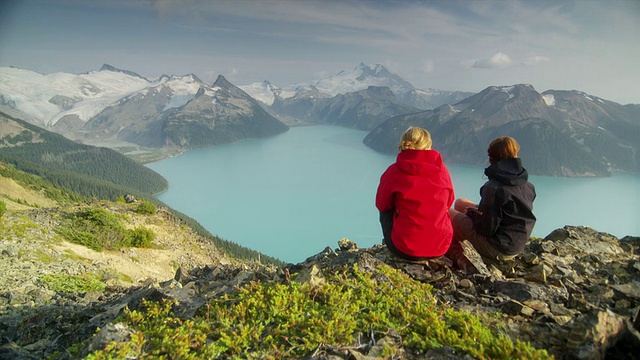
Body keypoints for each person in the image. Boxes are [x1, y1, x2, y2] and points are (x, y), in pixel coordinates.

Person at [447, 136, 536, 264]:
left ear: (492, 158)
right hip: (517, 242)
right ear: (515, 154)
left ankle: (450, 246)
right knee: (460, 202)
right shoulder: (528, 185)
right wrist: (476, 211)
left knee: (446, 210)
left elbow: (486, 229)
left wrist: (472, 215)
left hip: (497, 248)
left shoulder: (493, 188)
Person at [376, 126, 455, 260]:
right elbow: (449, 202)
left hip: (404, 248)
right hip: (440, 247)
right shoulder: (442, 171)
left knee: (386, 211)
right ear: (428, 145)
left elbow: (382, 204)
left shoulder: (394, 171)